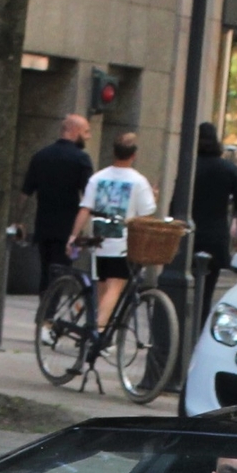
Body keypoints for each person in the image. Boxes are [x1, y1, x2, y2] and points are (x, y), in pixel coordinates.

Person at [72, 132, 157, 330]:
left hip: (99, 241)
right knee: (115, 287)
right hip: (122, 243)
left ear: (114, 152)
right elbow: (146, 215)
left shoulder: (97, 178)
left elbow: (85, 208)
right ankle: (99, 331)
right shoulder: (139, 181)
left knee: (102, 286)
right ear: (134, 155)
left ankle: (95, 329)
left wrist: (73, 235)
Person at [21, 113, 94, 288]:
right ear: (75, 131)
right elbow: (89, 197)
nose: (88, 136)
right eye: (86, 132)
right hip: (67, 227)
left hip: (43, 225)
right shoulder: (81, 159)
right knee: (60, 274)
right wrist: (80, 230)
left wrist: (19, 220)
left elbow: (25, 192)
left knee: (45, 271)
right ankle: (49, 311)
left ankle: (43, 308)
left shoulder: (41, 156)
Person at [189, 123, 237, 317]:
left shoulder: (190, 166)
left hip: (191, 233)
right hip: (215, 234)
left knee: (189, 282)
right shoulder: (228, 168)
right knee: (208, 288)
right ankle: (201, 320)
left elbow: (175, 202)